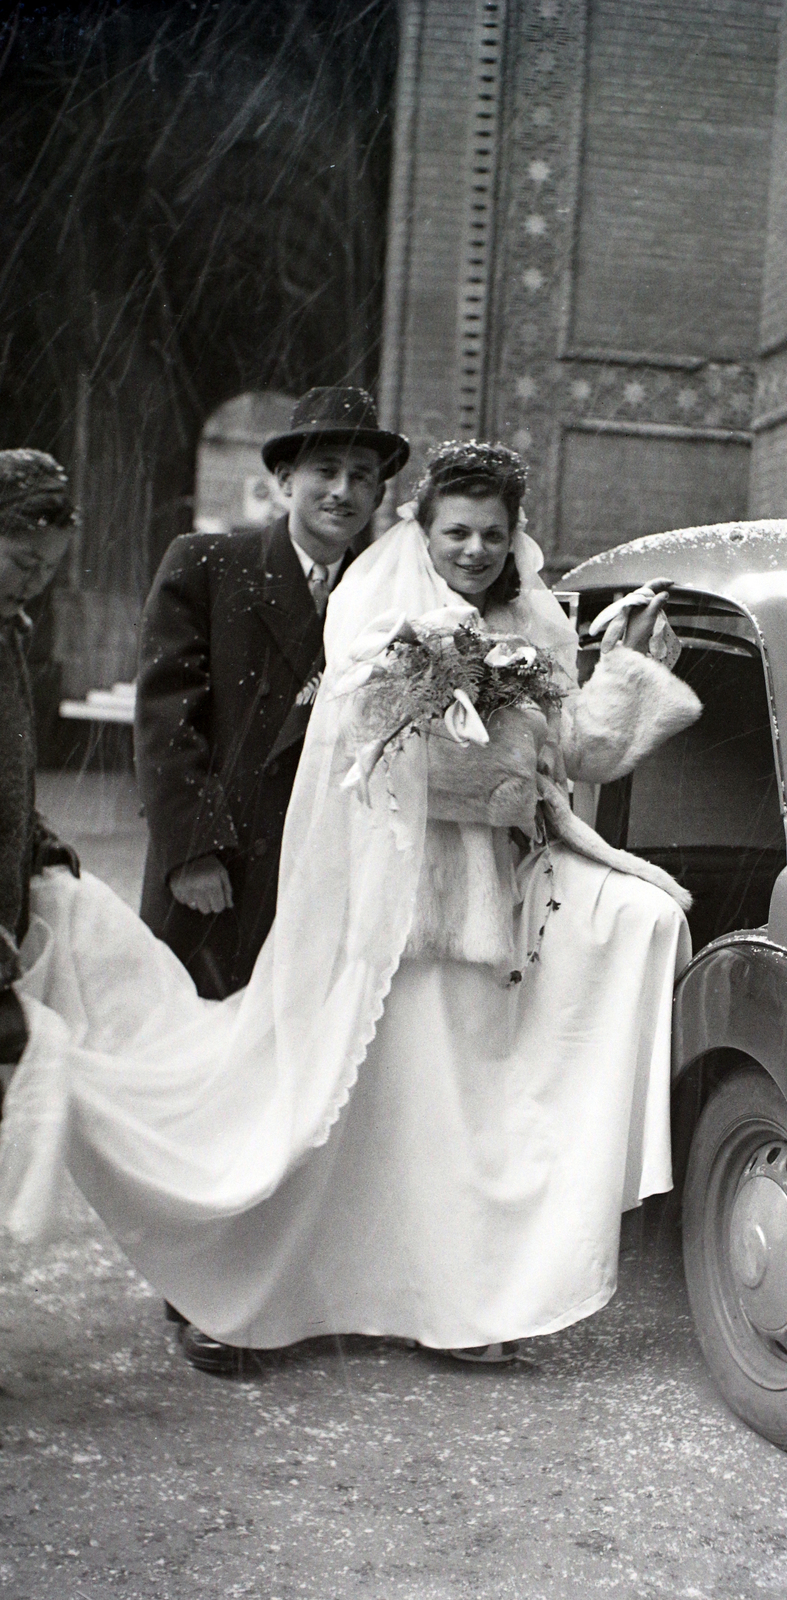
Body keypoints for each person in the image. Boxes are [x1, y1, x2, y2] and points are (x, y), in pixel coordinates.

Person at [0, 440, 701, 1376]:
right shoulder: (380, 598)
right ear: (422, 524)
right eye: (457, 530)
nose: (475, 550)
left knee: (469, 1106)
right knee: (361, 1111)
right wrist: (462, 721)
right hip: (390, 895)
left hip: (498, 892)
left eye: (493, 532)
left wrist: (627, 674)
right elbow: (362, 755)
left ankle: (460, 1303)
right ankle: (275, 1297)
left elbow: (576, 754)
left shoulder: (535, 614)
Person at [135, 387, 409, 998]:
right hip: (219, 868)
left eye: (361, 477)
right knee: (189, 1036)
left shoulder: (386, 600)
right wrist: (192, 850)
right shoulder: (208, 565)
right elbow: (166, 717)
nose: (342, 490)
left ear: (378, 496)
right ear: (285, 480)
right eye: (325, 471)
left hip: (318, 869)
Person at [0, 450, 80, 1080]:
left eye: (49, 568)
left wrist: (35, 833)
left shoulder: (11, 632)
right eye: (24, 562)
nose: (34, 581)